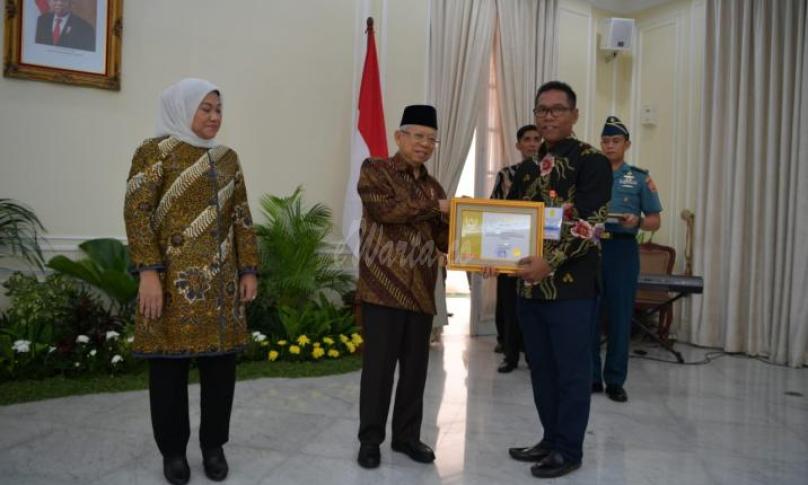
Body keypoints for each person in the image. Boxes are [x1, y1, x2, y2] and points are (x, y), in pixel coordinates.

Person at [124, 78, 259, 485]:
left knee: (221, 372)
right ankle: (173, 453)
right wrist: (148, 272)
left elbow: (242, 217)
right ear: (182, 109)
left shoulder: (228, 158)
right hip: (169, 286)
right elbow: (137, 213)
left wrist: (248, 268)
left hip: (220, 289)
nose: (215, 117)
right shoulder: (154, 152)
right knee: (168, 373)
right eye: (206, 108)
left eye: (219, 109)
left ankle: (213, 447)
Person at [504, 81, 611, 479]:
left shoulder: (591, 161)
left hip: (571, 288)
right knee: (542, 369)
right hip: (529, 287)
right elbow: (509, 219)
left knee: (571, 371)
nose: (548, 116)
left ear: (574, 115)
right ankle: (550, 440)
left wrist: (550, 264)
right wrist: (488, 257)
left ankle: (569, 449)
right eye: (542, 110)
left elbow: (592, 223)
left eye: (557, 109)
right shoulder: (529, 167)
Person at [355, 104, 449, 469]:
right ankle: (370, 440)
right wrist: (436, 206)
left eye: (431, 139)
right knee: (377, 371)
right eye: (418, 136)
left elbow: (443, 236)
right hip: (382, 290)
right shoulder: (375, 170)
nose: (425, 144)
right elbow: (386, 211)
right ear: (400, 137)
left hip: (422, 293)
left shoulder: (434, 185)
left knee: (415, 372)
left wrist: (468, 236)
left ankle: (406, 437)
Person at [592, 116, 662, 403]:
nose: (610, 145)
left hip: (622, 250)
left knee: (621, 317)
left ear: (627, 144)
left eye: (616, 141)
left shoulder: (640, 177)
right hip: (593, 249)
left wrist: (638, 222)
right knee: (590, 315)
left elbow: (655, 221)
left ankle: (616, 381)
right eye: (606, 141)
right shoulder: (591, 173)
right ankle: (592, 377)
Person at [492, 124, 540, 373]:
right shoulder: (505, 175)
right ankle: (510, 356)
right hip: (509, 247)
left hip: (540, 251)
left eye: (536, 139)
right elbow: (493, 209)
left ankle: (534, 356)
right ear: (518, 145)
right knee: (509, 305)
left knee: (534, 307)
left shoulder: (552, 173)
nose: (532, 144)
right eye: (527, 139)